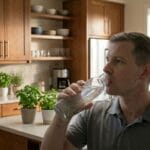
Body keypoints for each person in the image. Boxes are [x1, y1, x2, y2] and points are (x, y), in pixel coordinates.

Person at [40, 32, 150, 150]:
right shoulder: (93, 113)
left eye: (118, 61)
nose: (106, 68)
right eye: (107, 59)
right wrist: (61, 118)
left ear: (144, 72)